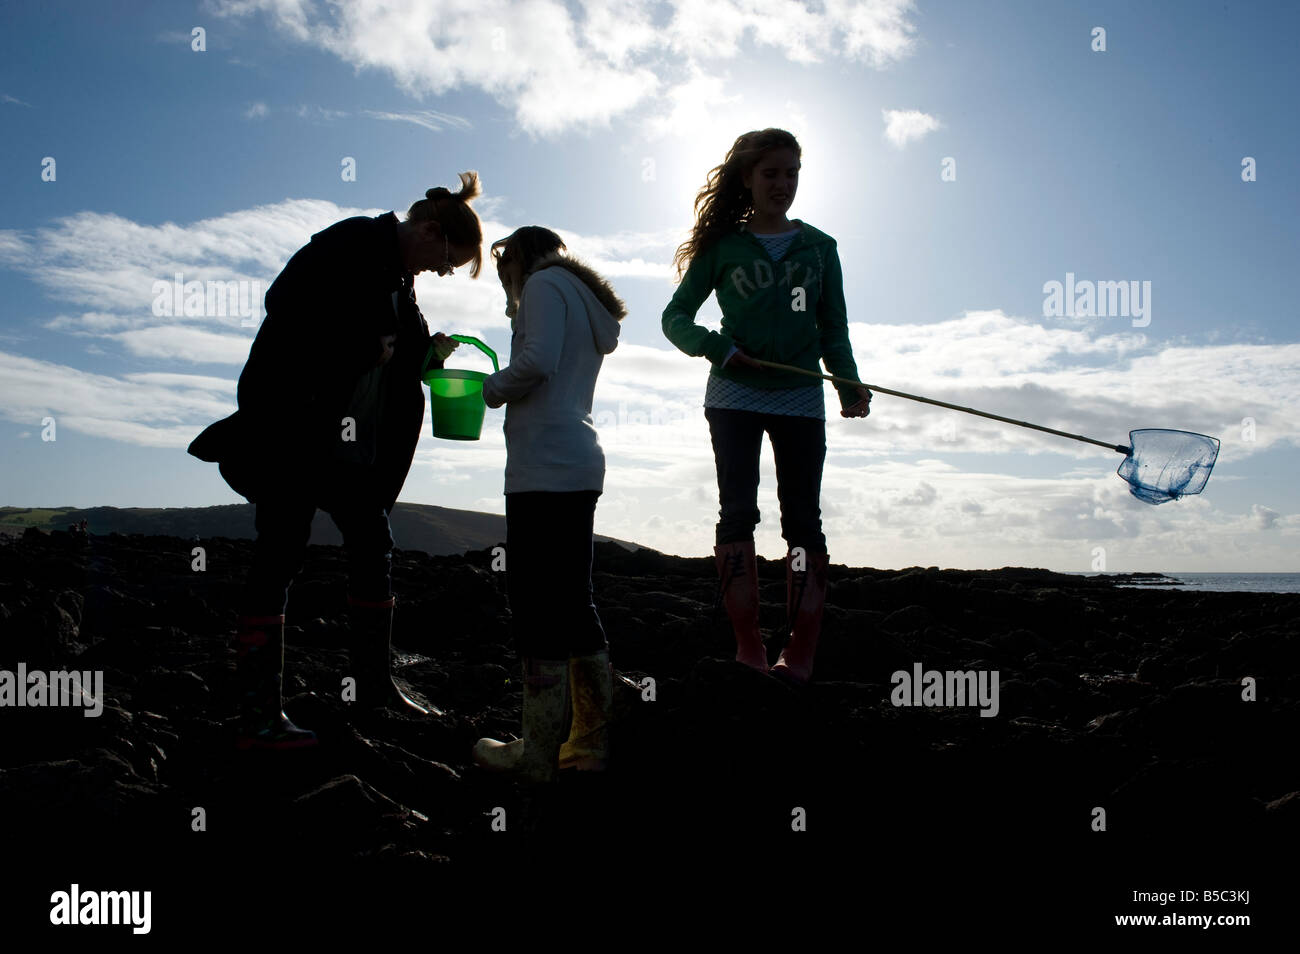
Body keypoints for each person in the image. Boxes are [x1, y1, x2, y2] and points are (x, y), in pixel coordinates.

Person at [187, 172, 485, 749]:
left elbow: (397, 352)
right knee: (280, 553)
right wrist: (358, 345)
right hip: (294, 430)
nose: (439, 272)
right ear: (427, 230)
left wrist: (429, 350)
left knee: (373, 545)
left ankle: (375, 687)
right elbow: (286, 304)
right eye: (446, 262)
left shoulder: (402, 280)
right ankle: (257, 714)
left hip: (353, 448)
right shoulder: (350, 242)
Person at [661, 129, 871, 684]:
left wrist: (848, 384)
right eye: (771, 173)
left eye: (791, 173)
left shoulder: (821, 248)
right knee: (738, 515)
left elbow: (834, 328)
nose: (782, 183)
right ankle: (749, 644)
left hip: (801, 397)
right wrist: (718, 348)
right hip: (733, 397)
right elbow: (674, 318)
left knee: (804, 523)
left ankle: (800, 652)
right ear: (748, 179)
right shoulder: (723, 247)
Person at [471, 227, 625, 783]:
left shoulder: (541, 284)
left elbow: (537, 362)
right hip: (579, 461)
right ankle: (588, 744)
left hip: (543, 466)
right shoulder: (581, 296)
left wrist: (489, 389)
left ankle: (537, 752)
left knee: (535, 600)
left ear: (515, 259)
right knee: (572, 600)